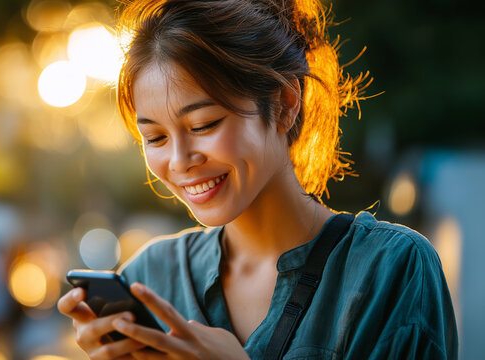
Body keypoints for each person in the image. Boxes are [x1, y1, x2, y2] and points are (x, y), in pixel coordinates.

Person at [58, 0, 458, 358]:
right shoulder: (149, 277)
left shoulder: (392, 268)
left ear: (285, 104)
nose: (179, 161)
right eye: (156, 137)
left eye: (203, 124)